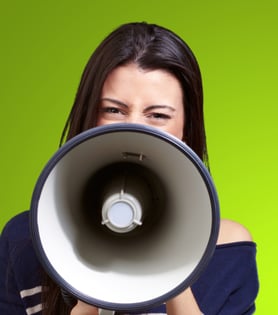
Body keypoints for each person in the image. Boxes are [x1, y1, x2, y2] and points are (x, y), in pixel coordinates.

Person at [0, 22, 259, 315]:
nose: (134, 128)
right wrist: (86, 283)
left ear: (185, 129)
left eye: (158, 115)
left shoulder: (229, 252)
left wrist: (179, 260)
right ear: (88, 113)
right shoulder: (26, 241)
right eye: (113, 110)